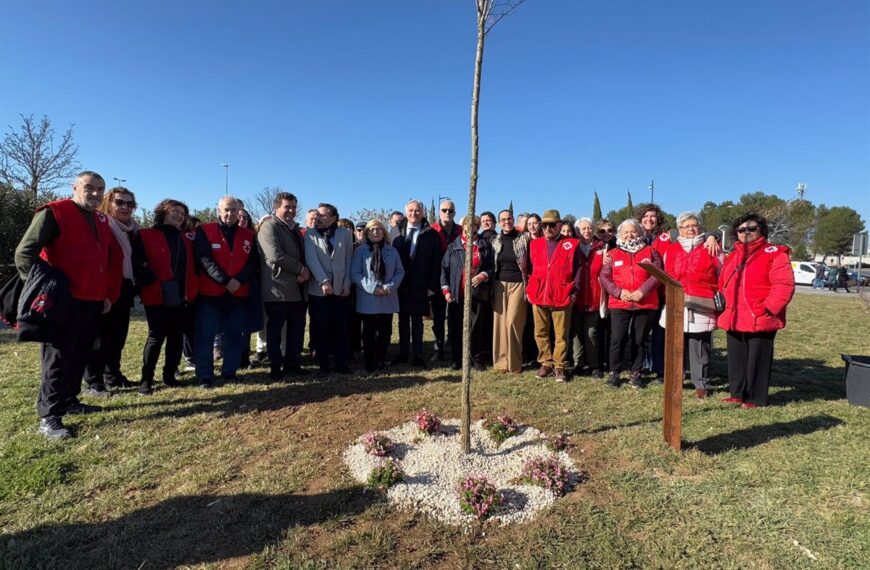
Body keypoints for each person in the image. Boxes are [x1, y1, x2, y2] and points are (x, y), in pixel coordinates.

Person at [14, 171, 122, 439]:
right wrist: (45, 289)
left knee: (80, 354)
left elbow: (103, 259)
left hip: (92, 300)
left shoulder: (100, 219)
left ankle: (70, 399)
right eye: (89, 187)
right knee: (58, 358)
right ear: (75, 187)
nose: (95, 193)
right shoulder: (54, 212)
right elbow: (24, 253)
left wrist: (106, 294)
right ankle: (49, 416)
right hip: (63, 303)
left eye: (100, 188)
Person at [718, 213, 795, 408]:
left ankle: (755, 397)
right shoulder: (733, 254)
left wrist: (769, 308)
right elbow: (724, 281)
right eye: (741, 230)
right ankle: (737, 392)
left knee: (758, 359)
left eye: (751, 229)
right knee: (736, 357)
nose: (746, 233)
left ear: (761, 230)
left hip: (760, 315)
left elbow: (784, 283)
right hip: (734, 314)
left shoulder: (775, 253)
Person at [133, 199, 198, 395]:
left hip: (182, 296)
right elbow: (136, 263)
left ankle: (169, 375)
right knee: (156, 336)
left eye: (182, 213)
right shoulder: (145, 235)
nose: (179, 215)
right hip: (156, 294)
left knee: (176, 337)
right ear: (163, 212)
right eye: (174, 211)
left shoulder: (188, 237)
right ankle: (146, 379)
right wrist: (152, 279)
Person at [194, 195, 258, 388]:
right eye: (226, 210)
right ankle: (205, 375)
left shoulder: (248, 235)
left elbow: (252, 262)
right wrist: (224, 280)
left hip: (238, 294)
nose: (230, 214)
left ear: (240, 211)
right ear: (219, 211)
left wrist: (238, 281)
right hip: (211, 293)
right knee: (206, 336)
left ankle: (229, 372)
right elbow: (204, 259)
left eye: (234, 210)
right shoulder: (205, 231)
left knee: (234, 336)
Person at [83, 186, 139, 395]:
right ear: (109, 203)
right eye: (120, 202)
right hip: (104, 287)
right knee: (99, 337)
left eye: (129, 203)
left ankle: (113, 375)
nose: (125, 207)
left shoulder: (132, 230)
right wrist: (103, 291)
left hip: (124, 286)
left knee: (117, 336)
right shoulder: (101, 225)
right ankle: (93, 382)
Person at [661, 212, 723, 398]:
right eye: (686, 226)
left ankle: (701, 384)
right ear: (679, 229)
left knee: (699, 347)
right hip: (676, 302)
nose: (690, 229)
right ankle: (676, 380)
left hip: (701, 303)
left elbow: (721, 276)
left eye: (694, 225)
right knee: (676, 346)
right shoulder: (671, 250)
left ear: (700, 227)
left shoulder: (712, 249)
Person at [599, 218, 662, 389]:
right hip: (620, 303)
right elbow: (604, 277)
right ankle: (614, 373)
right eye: (625, 232)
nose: (629, 235)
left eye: (633, 231)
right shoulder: (612, 254)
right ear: (620, 235)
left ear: (640, 233)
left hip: (645, 302)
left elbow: (657, 274)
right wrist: (619, 293)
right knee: (617, 339)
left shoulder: (650, 252)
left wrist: (643, 291)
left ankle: (636, 373)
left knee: (639, 339)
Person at [258, 192, 310, 380]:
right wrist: (301, 270)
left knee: (296, 330)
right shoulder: (269, 227)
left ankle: (292, 364)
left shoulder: (295, 229)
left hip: (298, 290)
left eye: (294, 207)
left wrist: (304, 272)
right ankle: (275, 366)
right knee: (275, 331)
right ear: (277, 207)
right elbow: (275, 255)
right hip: (277, 289)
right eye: (287, 206)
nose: (291, 210)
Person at [526, 209, 581, 382]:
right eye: (545, 225)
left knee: (561, 334)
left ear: (559, 225)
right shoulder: (534, 244)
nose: (548, 228)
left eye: (552, 225)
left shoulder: (572, 244)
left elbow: (579, 269)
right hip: (539, 293)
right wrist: (529, 289)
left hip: (561, 293)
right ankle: (546, 362)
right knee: (540, 332)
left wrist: (574, 291)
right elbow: (529, 268)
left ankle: (560, 365)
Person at [304, 202, 354, 375]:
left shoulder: (345, 234)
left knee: (340, 327)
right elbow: (312, 260)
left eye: (323, 215)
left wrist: (347, 283)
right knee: (320, 327)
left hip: (340, 290)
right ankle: (323, 365)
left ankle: (342, 363)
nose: (318, 218)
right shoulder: (310, 235)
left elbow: (349, 260)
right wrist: (324, 281)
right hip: (319, 291)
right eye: (317, 214)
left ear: (333, 217)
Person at [392, 199, 441, 367]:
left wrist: (432, 286)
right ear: (406, 213)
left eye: (417, 211)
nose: (414, 213)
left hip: (421, 285)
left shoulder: (431, 234)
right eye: (411, 211)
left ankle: (418, 356)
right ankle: (403, 353)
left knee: (418, 321)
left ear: (422, 213)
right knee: (402, 320)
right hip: (400, 284)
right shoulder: (396, 232)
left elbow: (436, 262)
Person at [440, 215, 493, 370]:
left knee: (475, 328)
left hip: (476, 295)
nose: (471, 228)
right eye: (467, 225)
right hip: (457, 295)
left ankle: (476, 358)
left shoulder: (484, 247)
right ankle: (458, 359)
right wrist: (446, 290)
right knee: (456, 328)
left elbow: (491, 267)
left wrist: (483, 275)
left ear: (478, 227)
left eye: (475, 225)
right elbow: (444, 269)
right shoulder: (453, 246)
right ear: (462, 226)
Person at [351, 219, 405, 372]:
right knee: (368, 334)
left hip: (387, 298)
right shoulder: (360, 251)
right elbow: (355, 273)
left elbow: (400, 271)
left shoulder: (392, 251)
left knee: (385, 332)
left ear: (384, 232)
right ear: (367, 233)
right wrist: (373, 288)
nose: (376, 232)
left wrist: (389, 287)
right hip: (368, 298)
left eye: (379, 229)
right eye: (372, 229)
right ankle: (369, 362)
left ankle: (381, 359)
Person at [490, 209, 530, 373]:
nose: (507, 222)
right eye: (503, 219)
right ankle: (500, 362)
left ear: (514, 220)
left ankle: (514, 364)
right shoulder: (495, 240)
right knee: (499, 324)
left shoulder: (523, 238)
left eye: (509, 219)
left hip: (518, 284)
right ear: (499, 223)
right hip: (499, 284)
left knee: (513, 322)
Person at [570, 217, 605, 377]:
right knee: (576, 332)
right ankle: (578, 364)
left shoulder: (602, 248)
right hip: (576, 298)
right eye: (583, 229)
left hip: (594, 298)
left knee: (591, 332)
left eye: (589, 228)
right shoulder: (573, 248)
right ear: (577, 232)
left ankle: (594, 365)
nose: (587, 231)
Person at [429, 199, 462, 361]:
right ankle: (439, 347)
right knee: (438, 317)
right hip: (436, 280)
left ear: (455, 213)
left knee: (455, 315)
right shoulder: (431, 230)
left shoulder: (462, 231)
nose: (447, 213)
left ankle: (454, 344)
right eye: (444, 210)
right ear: (439, 212)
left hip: (456, 281)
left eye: (450, 210)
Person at [595, 219, 617, 372]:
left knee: (612, 331)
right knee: (598, 329)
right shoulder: (594, 247)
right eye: (602, 231)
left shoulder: (620, 246)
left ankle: (611, 362)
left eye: (610, 230)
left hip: (614, 292)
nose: (606, 233)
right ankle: (598, 361)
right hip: (598, 293)